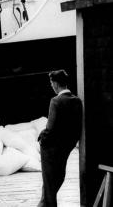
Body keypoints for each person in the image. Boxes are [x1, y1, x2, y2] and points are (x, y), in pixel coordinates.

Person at [37, 70, 82, 207]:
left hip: (50, 149)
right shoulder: (77, 101)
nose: (51, 85)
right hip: (66, 147)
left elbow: (50, 128)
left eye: (51, 83)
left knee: (49, 185)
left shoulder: (55, 101)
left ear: (56, 84)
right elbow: (76, 128)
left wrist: (41, 138)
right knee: (56, 180)